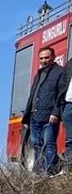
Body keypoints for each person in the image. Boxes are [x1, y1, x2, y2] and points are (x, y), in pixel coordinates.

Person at [22, 47, 66, 175]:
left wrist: (56, 112)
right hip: (34, 116)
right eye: (41, 58)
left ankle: (49, 171)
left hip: (49, 116)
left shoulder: (60, 72)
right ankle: (38, 172)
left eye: (46, 57)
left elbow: (60, 94)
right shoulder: (39, 74)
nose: (44, 60)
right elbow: (32, 96)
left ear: (53, 57)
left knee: (49, 144)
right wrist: (26, 117)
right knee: (36, 145)